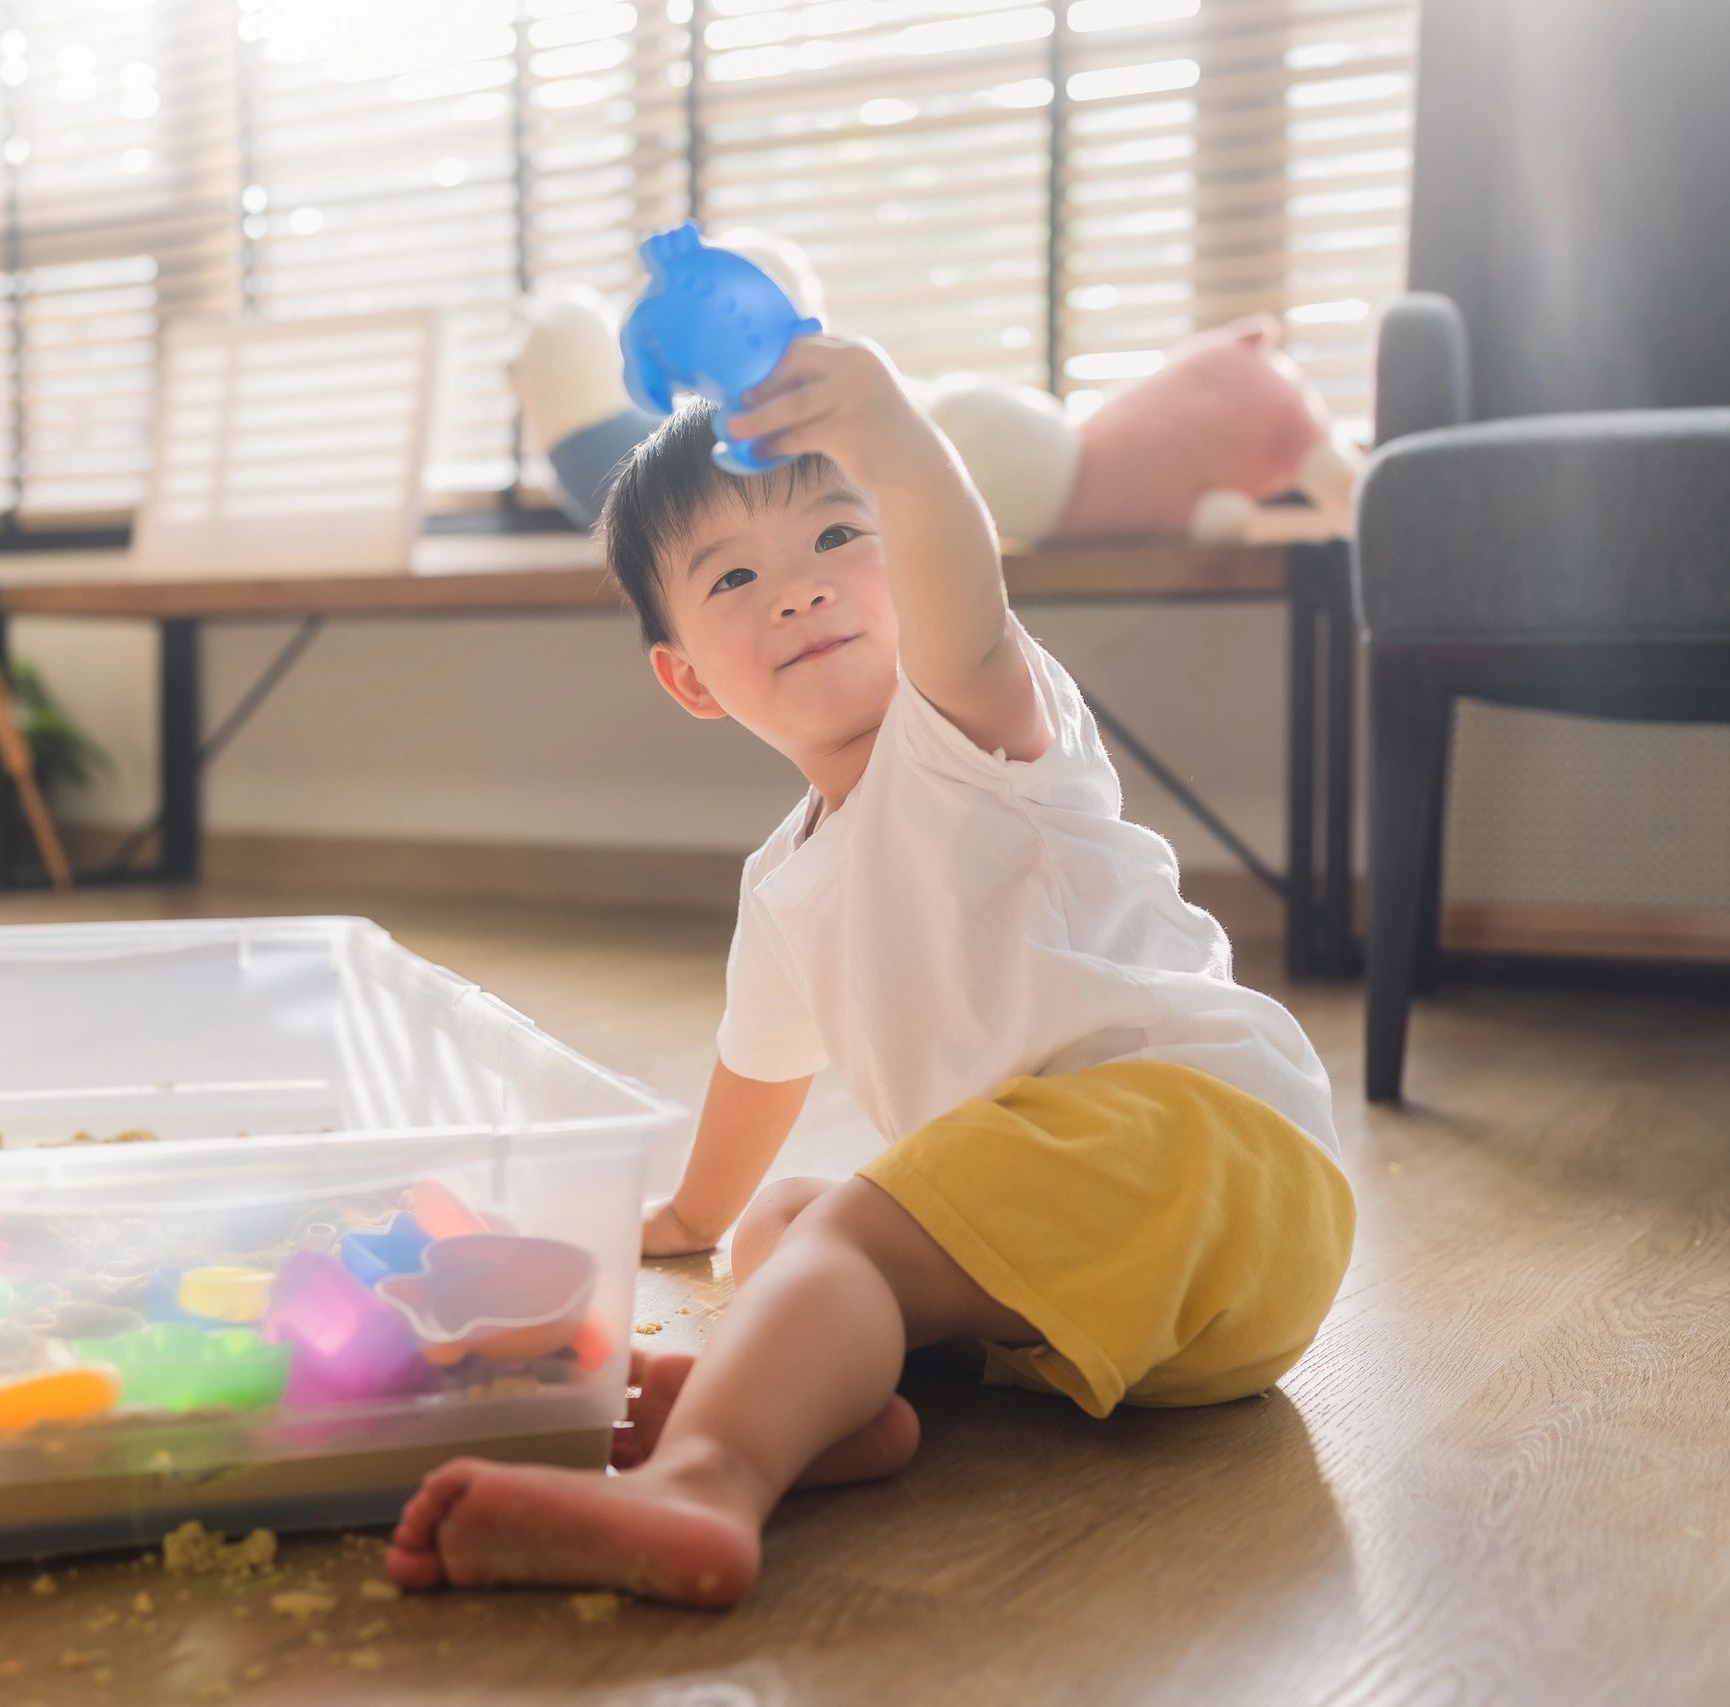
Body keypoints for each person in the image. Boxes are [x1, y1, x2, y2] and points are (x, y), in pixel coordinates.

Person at [387, 335, 1354, 1606]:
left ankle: (710, 1483)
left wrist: (898, 448)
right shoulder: (784, 882)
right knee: (783, 1224)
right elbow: (756, 1069)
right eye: (733, 574)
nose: (795, 591)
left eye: (839, 540)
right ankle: (836, 1410)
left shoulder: (969, 728)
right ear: (687, 679)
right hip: (1125, 1306)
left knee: (846, 1232)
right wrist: (692, 1219)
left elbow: (963, 604)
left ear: (913, 565)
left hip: (1210, 1149)